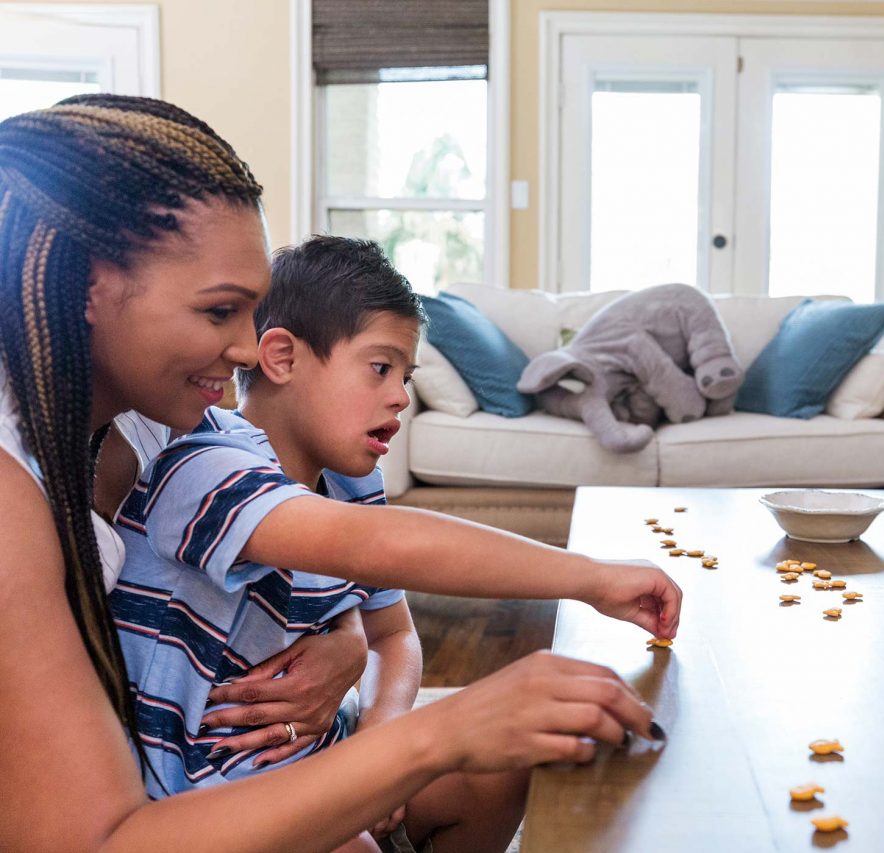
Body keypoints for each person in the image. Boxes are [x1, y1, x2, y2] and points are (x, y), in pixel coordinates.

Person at [0, 94, 680, 852]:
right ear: (90, 284)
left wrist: (353, 639)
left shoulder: (140, 408)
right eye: (220, 310)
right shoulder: (46, 490)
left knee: (506, 767)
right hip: (190, 782)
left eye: (250, 315)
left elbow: (358, 569)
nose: (247, 349)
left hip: (268, 753)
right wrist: (444, 728)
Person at [114, 234, 681, 850]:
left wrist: (382, 738)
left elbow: (393, 634)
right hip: (212, 787)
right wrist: (591, 577)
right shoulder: (206, 467)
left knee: (503, 768)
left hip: (324, 751)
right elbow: (388, 546)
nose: (401, 397)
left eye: (406, 376)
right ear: (281, 358)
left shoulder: (352, 484)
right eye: (380, 367)